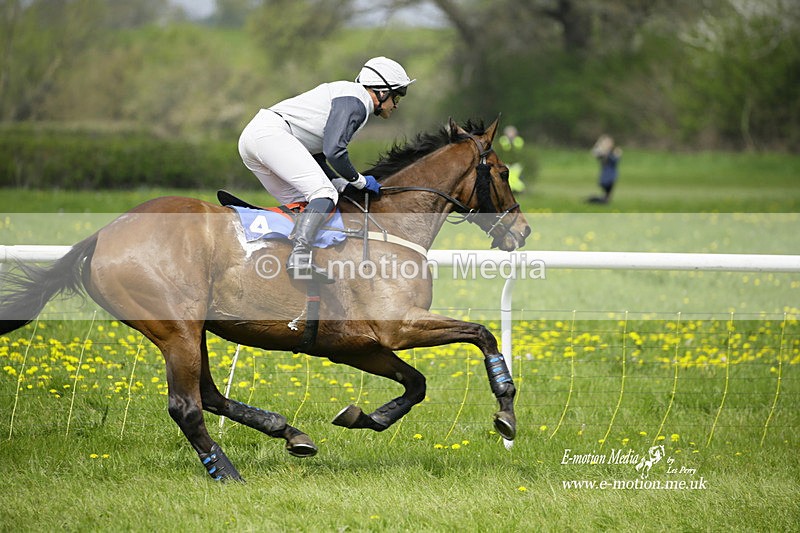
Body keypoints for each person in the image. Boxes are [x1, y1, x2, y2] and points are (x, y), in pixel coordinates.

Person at [238, 57, 415, 283]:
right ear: (381, 92)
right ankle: (299, 259)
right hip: (270, 135)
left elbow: (315, 155)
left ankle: (286, 261)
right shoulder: (357, 102)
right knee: (324, 195)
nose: (397, 104)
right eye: (397, 96)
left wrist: (338, 181)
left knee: (307, 202)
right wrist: (359, 181)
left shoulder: (350, 97)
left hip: (256, 139)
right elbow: (335, 152)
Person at [588, 134, 622, 204]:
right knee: (605, 187)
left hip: (611, 173)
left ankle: (604, 199)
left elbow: (615, 160)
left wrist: (608, 153)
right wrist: (599, 143)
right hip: (605, 173)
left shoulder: (615, 151)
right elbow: (594, 153)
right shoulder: (602, 152)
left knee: (608, 189)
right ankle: (601, 199)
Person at [497, 125, 526, 193]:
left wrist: (511, 141)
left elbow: (517, 150)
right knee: (508, 176)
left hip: (516, 163)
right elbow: (505, 149)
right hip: (506, 162)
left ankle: (520, 189)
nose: (510, 134)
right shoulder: (503, 139)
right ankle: (516, 190)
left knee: (513, 177)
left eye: (512, 132)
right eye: (509, 132)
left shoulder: (519, 140)